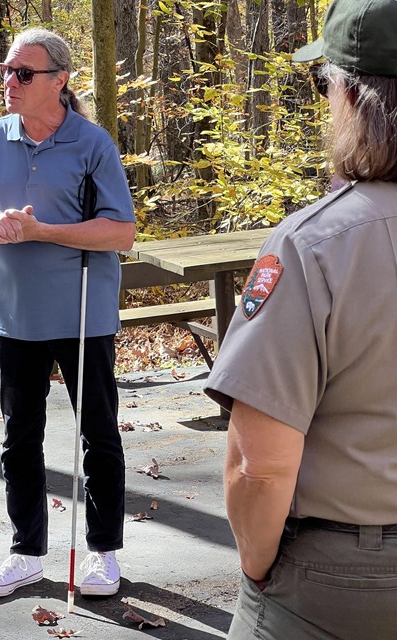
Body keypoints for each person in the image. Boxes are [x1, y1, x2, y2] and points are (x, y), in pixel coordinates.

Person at [204, 0, 397, 637]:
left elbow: (260, 467)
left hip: (339, 587)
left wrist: (260, 570)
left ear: (352, 98)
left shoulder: (313, 244)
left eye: (325, 85)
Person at [0, 27, 135, 598]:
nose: (10, 81)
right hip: (15, 313)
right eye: (6, 71)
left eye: (23, 74)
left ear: (59, 81)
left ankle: (103, 552)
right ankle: (25, 552)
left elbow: (121, 232)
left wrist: (41, 230)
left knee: (99, 435)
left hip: (84, 312)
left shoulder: (92, 144)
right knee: (18, 439)